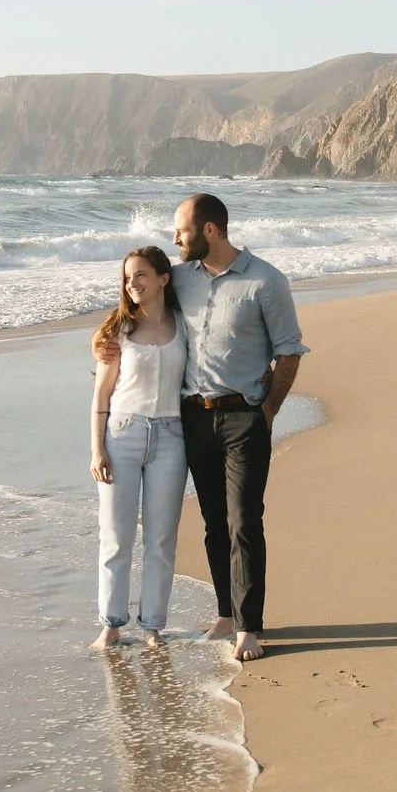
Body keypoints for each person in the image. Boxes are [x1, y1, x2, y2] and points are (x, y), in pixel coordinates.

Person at [97, 192, 306, 662]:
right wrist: (110, 354)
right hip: (191, 416)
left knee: (244, 521)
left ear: (209, 230)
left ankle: (249, 627)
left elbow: (289, 350)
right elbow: (140, 308)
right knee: (214, 524)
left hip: (244, 416)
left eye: (182, 230)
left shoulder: (265, 282)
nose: (174, 238)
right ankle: (227, 615)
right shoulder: (182, 280)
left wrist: (267, 411)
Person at [89, 246, 190, 650]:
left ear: (164, 278)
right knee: (116, 536)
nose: (132, 284)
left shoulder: (185, 325)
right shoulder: (117, 331)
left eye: (141, 275)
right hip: (122, 435)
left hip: (172, 437)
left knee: (162, 538)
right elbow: (101, 393)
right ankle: (111, 625)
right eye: (128, 277)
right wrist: (97, 449)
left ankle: (152, 627)